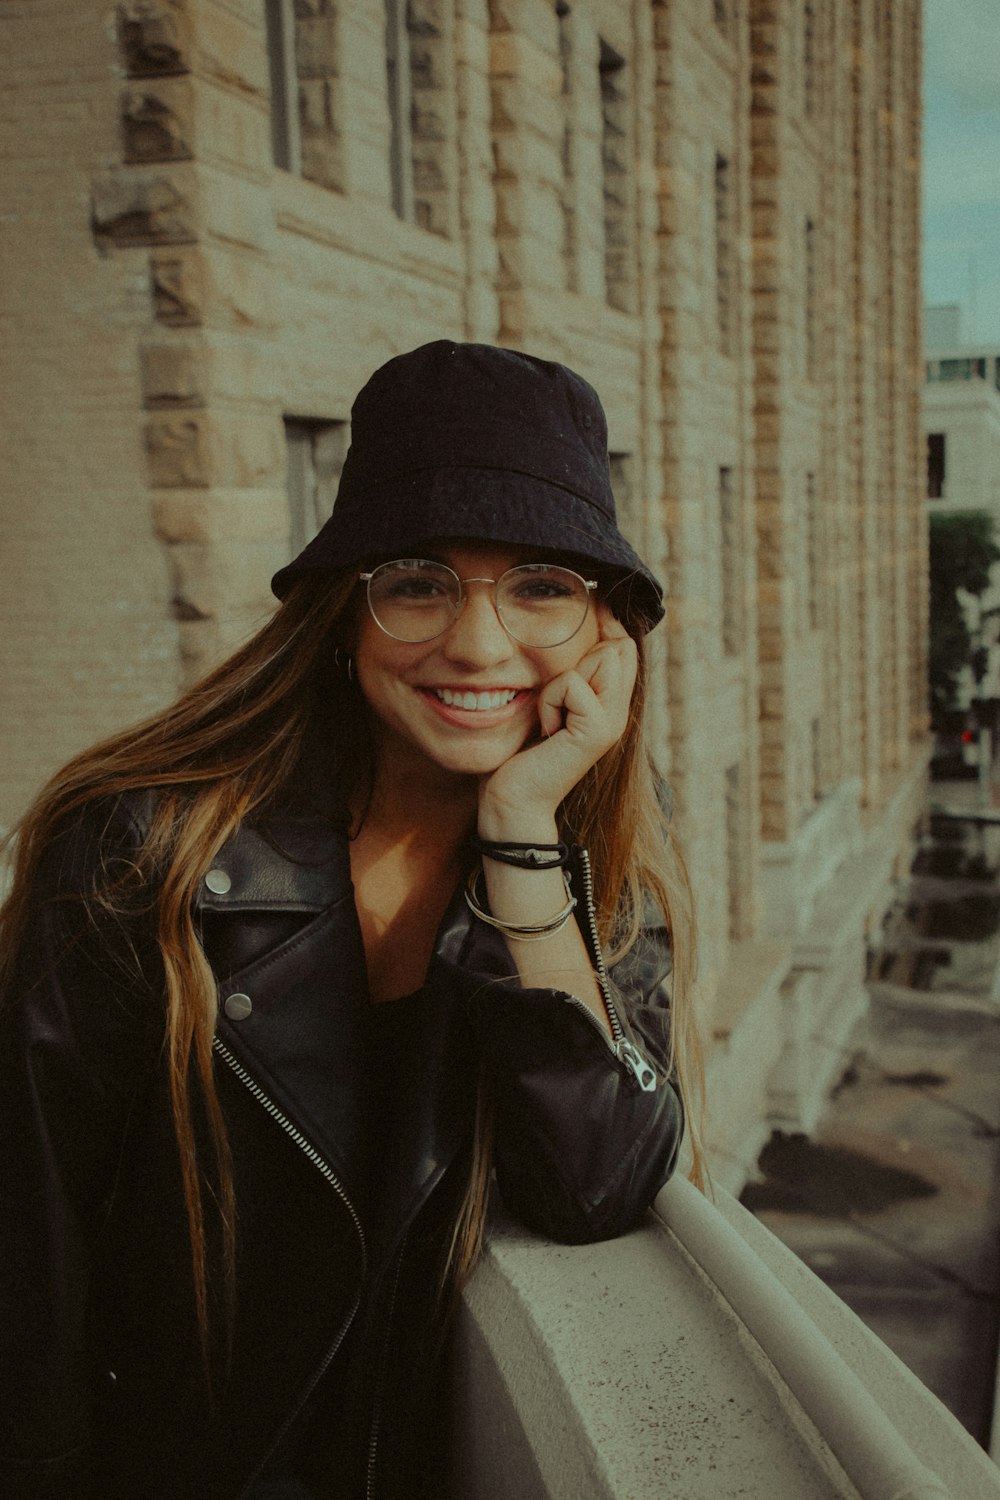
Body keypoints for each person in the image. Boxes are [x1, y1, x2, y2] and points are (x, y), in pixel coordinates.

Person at [0, 341, 701, 1500]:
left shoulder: (596, 843)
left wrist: (521, 832)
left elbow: (598, 1182)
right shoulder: (142, 849)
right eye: (418, 581)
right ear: (345, 611)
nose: (477, 646)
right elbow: (28, 1242)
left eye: (541, 587)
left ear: (605, 634)